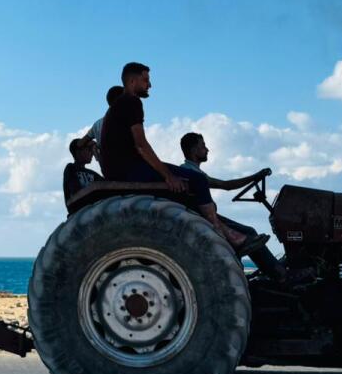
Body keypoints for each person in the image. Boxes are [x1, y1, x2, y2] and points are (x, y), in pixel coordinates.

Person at [99, 62, 264, 252]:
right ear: (132, 80)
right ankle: (220, 234)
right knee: (198, 179)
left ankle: (224, 231)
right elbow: (141, 145)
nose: (149, 85)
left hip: (121, 168)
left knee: (186, 189)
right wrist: (168, 175)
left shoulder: (118, 106)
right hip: (129, 169)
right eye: (146, 80)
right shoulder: (132, 102)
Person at [180, 132, 286, 279]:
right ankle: (280, 275)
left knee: (249, 231)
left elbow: (226, 185)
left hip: (206, 216)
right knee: (250, 233)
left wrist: (254, 177)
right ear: (193, 150)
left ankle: (268, 273)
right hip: (205, 218)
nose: (207, 149)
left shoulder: (193, 171)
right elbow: (225, 186)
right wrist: (254, 177)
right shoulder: (189, 172)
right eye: (203, 146)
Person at [63, 138, 103, 208]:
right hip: (78, 211)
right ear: (78, 152)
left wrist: (99, 158)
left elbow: (107, 183)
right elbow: (76, 192)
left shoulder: (92, 173)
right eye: (89, 149)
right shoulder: (71, 168)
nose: (92, 153)